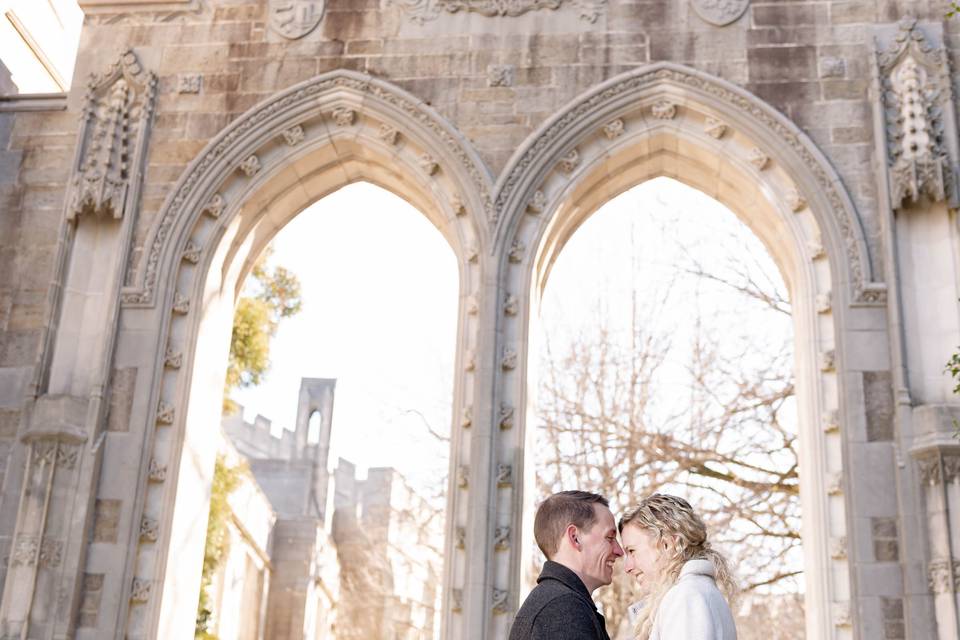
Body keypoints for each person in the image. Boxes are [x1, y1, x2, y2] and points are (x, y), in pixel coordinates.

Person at [508, 490, 624, 640]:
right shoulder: (562, 609)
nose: (619, 551)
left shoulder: (558, 602)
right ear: (575, 537)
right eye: (610, 537)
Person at [619, 494, 738, 640]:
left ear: (668, 545)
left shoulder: (686, 597)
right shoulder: (694, 593)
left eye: (632, 551)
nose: (627, 567)